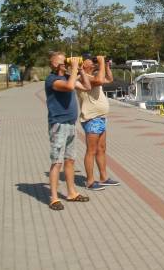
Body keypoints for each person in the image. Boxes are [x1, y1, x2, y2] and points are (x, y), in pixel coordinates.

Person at [45, 52, 91, 210]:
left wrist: (82, 71)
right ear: (53, 64)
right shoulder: (52, 80)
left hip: (70, 124)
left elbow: (87, 87)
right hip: (58, 124)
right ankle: (54, 198)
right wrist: (74, 69)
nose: (65, 63)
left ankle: (71, 193)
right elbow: (70, 86)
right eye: (62, 61)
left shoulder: (67, 77)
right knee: (57, 162)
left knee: (70, 160)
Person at [77, 54, 120, 190]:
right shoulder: (82, 78)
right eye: (90, 59)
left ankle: (103, 177)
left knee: (101, 149)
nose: (93, 61)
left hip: (100, 118)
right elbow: (100, 80)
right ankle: (90, 181)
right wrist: (100, 63)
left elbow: (109, 79)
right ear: (83, 64)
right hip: (91, 118)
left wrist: (106, 65)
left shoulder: (94, 76)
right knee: (91, 150)